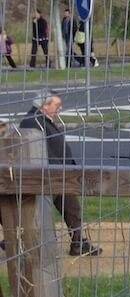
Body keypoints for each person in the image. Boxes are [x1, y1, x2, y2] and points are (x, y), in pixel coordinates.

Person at [18, 90, 102, 256]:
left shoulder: (42, 120)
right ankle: (20, 242)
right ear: (44, 106)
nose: (60, 109)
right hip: (46, 178)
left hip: (60, 176)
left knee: (72, 209)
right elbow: (39, 153)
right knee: (38, 214)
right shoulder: (31, 122)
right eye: (57, 105)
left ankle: (78, 243)